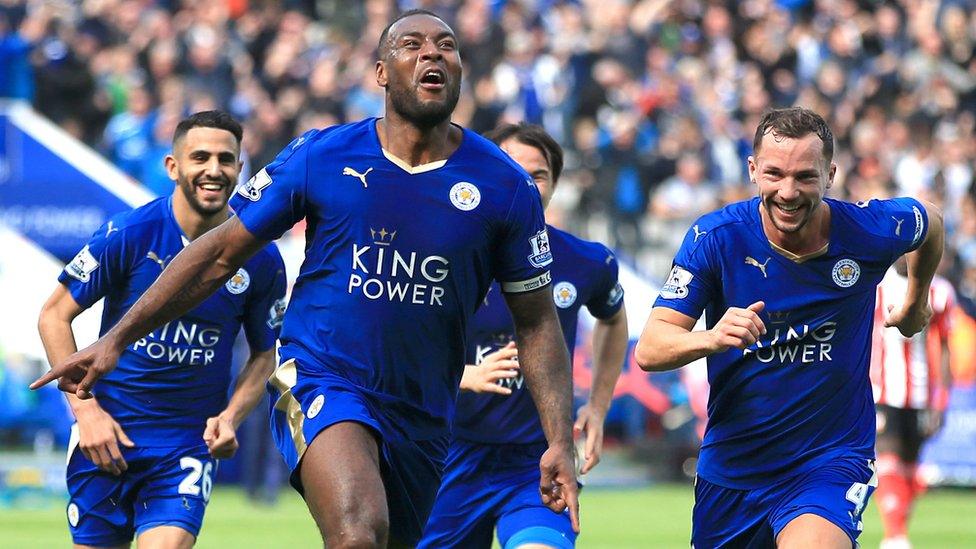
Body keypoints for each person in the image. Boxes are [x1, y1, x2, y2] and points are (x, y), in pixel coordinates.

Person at [33, 10, 579, 548]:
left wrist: (558, 440)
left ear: (460, 72)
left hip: (425, 410)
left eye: (446, 46)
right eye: (411, 44)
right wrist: (116, 339)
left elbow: (536, 323)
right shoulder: (322, 154)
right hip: (323, 376)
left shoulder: (504, 187)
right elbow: (221, 253)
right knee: (357, 532)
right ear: (382, 73)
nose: (432, 53)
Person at [634, 107, 944, 548]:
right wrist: (711, 337)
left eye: (805, 177)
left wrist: (916, 301)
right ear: (753, 168)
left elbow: (930, 220)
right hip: (733, 470)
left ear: (830, 173)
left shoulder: (867, 230)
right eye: (775, 174)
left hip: (828, 462)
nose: (788, 192)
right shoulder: (716, 238)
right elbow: (650, 348)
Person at [36, 110, 287, 548]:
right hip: (107, 439)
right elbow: (54, 315)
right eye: (201, 157)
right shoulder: (129, 234)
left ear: (240, 169)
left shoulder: (261, 259)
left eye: (226, 160)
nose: (214, 170)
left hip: (184, 448)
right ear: (173, 167)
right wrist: (86, 412)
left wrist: (231, 417)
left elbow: (265, 353)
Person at [420, 123, 628, 549]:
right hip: (446, 458)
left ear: (554, 186)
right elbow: (396, 344)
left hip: (536, 460)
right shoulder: (438, 254)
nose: (523, 182)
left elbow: (613, 318)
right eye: (511, 168)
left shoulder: (586, 261)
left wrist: (599, 405)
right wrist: (464, 375)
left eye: (537, 174)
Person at [871, 259, 955, 549]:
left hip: (920, 394)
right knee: (888, 458)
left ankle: (897, 534)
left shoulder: (940, 291)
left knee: (909, 464)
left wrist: (941, 401)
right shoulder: (876, 284)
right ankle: (895, 536)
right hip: (881, 391)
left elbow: (946, 346)